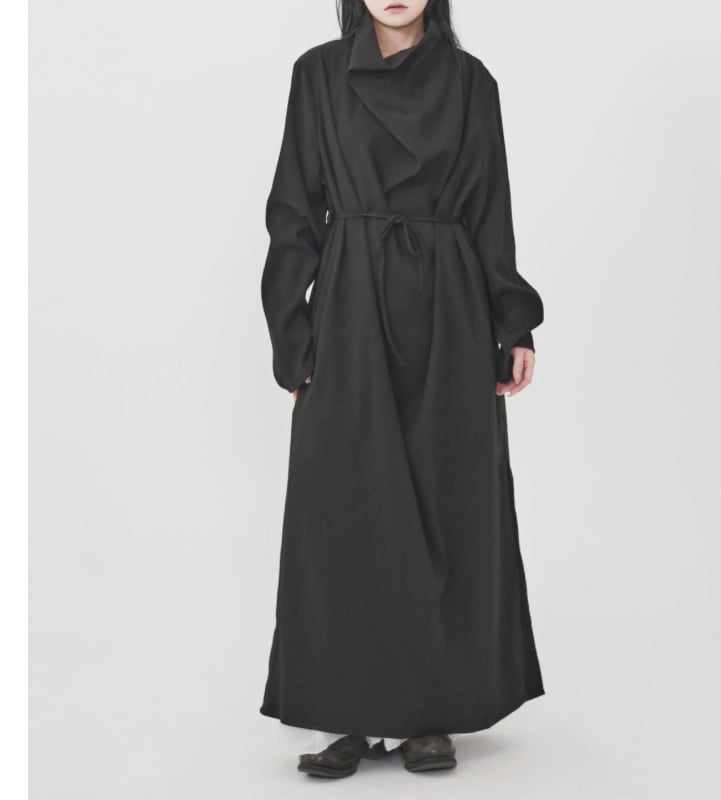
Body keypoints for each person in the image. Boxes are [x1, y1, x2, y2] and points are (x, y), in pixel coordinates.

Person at [259, 0, 545, 778]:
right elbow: (292, 211)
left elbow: (490, 210)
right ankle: (348, 713)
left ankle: (430, 713)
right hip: (351, 303)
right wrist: (293, 338)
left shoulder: (472, 83)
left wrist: (513, 323)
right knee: (345, 505)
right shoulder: (318, 75)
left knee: (449, 500)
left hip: (451, 306)